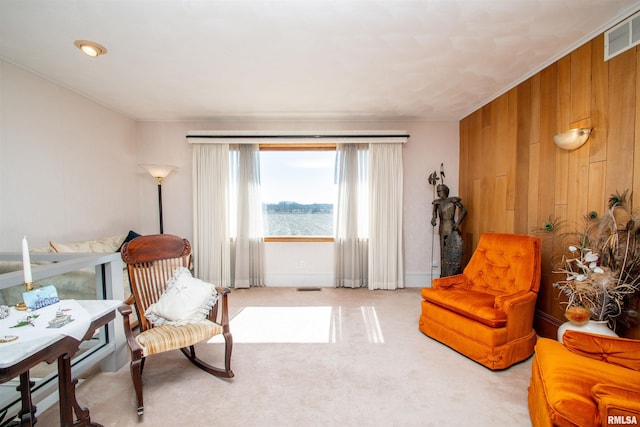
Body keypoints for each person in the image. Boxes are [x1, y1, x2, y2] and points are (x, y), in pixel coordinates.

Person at [431, 184, 467, 276]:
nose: (439, 193)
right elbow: (434, 215)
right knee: (443, 250)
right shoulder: (437, 203)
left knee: (452, 250)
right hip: (442, 226)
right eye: (438, 191)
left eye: (440, 191)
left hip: (451, 225)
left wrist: (457, 222)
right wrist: (433, 220)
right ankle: (443, 274)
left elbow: (464, 210)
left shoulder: (453, 200)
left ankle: (451, 274)